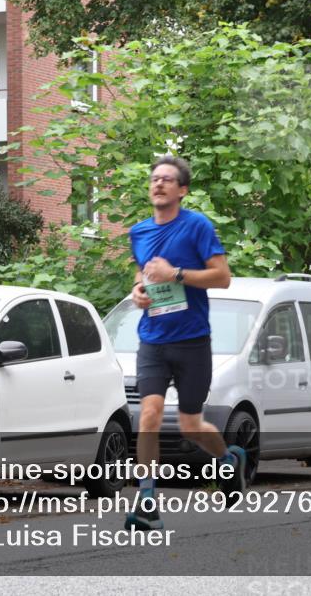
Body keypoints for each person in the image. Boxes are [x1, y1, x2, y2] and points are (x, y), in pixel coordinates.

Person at [125, 155, 246, 530]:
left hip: (192, 341)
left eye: (167, 180)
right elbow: (141, 273)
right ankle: (147, 500)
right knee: (149, 415)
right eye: (154, 178)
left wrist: (174, 273)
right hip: (152, 339)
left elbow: (222, 277)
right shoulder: (139, 232)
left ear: (182, 190)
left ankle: (228, 460)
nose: (158, 184)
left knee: (192, 426)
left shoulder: (197, 226)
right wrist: (137, 292)